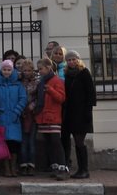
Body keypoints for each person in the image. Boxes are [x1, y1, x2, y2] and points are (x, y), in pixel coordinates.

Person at [33, 57, 70, 180]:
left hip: (53, 116)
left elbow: (61, 98)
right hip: (43, 116)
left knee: (56, 143)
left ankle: (63, 168)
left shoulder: (56, 81)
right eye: (38, 69)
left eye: (41, 69)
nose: (39, 72)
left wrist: (51, 91)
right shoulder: (42, 81)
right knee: (48, 143)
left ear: (48, 68)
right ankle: (54, 167)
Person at [62, 50, 96, 179]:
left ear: (78, 60)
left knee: (79, 141)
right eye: (69, 60)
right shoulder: (67, 74)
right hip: (71, 114)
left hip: (82, 114)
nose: (71, 62)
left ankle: (84, 169)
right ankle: (80, 169)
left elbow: (91, 94)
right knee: (76, 142)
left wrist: (88, 112)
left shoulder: (84, 72)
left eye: (73, 59)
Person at [0, 59, 27, 177]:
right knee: (3, 144)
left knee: (14, 144)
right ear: (1, 70)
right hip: (1, 118)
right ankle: (6, 168)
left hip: (14, 119)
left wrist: (17, 111)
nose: (6, 72)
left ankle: (13, 167)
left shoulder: (18, 85)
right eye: (4, 69)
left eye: (9, 70)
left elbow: (23, 99)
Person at [18, 57, 39, 175]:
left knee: (31, 141)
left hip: (33, 115)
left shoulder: (37, 81)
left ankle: (31, 164)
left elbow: (39, 97)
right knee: (23, 141)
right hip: (22, 114)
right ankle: (23, 164)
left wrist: (33, 105)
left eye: (28, 70)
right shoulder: (19, 82)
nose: (26, 73)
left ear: (32, 70)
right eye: (24, 70)